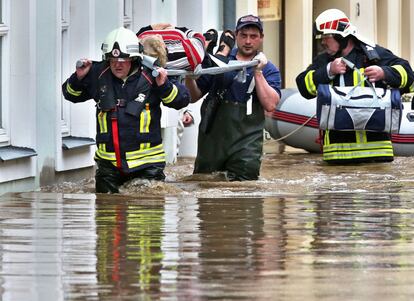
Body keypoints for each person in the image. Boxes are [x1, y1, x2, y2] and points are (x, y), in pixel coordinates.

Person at [62, 27, 190, 193]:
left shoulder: (152, 74)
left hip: (147, 166)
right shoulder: (99, 75)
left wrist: (164, 85)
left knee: (146, 213)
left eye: (123, 60)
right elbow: (70, 94)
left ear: (134, 58)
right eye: (113, 60)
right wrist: (78, 77)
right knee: (106, 215)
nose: (117, 64)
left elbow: (181, 100)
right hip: (109, 166)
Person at [296, 9, 414, 164]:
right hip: (337, 155)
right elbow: (304, 87)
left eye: (326, 37)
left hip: (377, 154)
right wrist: (328, 71)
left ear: (341, 36)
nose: (323, 42)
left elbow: (409, 77)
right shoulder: (324, 61)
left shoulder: (374, 55)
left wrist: (384, 73)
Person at [185, 14, 281, 181]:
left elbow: (271, 104)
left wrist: (258, 72)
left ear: (261, 38)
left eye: (253, 36)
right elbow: (193, 97)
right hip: (212, 142)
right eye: (243, 36)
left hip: (247, 144)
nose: (248, 41)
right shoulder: (218, 61)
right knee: (205, 188)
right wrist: (189, 76)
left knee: (245, 196)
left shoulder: (268, 69)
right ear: (236, 35)